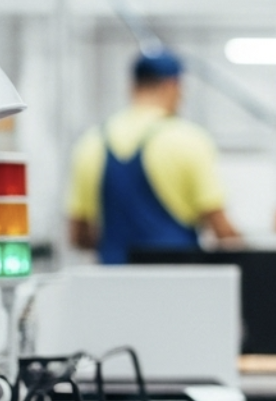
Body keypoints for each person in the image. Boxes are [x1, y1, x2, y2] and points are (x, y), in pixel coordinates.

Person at [67, 50, 240, 264]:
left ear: (133, 86)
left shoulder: (91, 143)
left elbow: (78, 236)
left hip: (113, 286)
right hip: (176, 282)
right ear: (173, 86)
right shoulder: (189, 139)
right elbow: (220, 228)